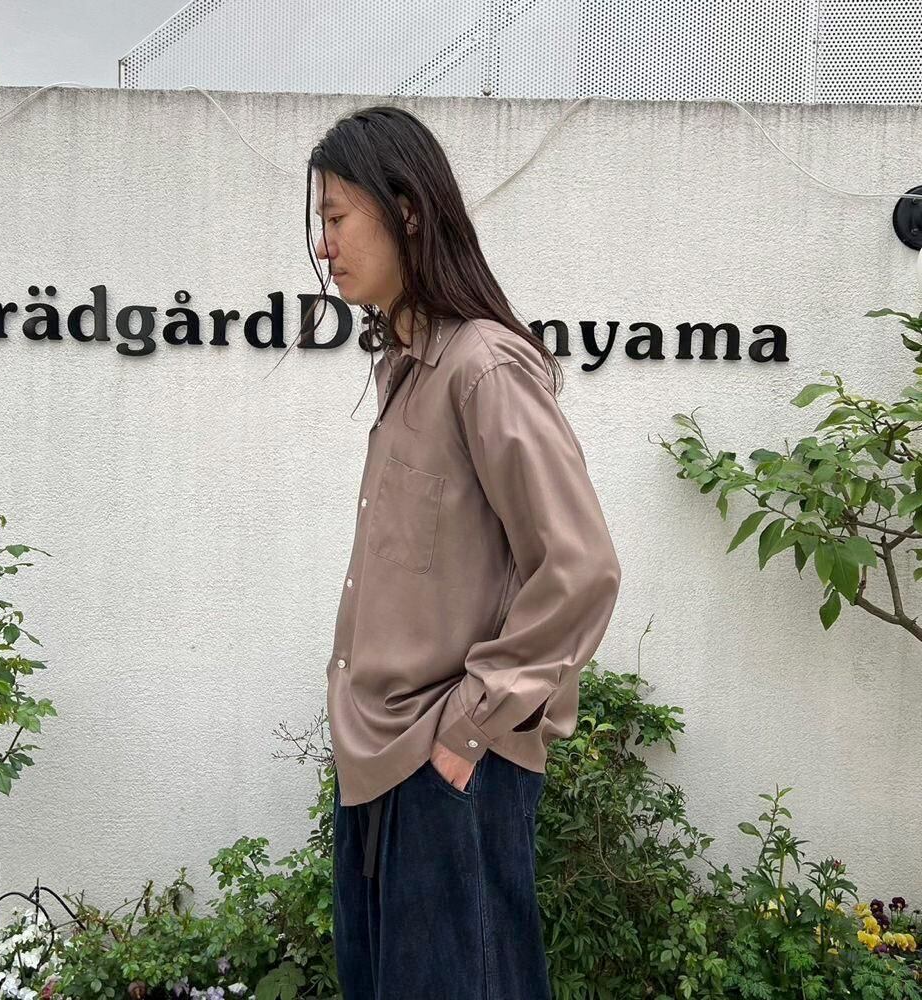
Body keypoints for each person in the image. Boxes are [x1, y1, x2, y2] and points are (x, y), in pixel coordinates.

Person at [303, 105, 622, 1000]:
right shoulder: (410, 368)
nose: (325, 246)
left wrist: (468, 732)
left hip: (445, 766)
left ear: (406, 210)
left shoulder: (485, 367)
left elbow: (581, 566)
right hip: (382, 762)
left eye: (337, 217)